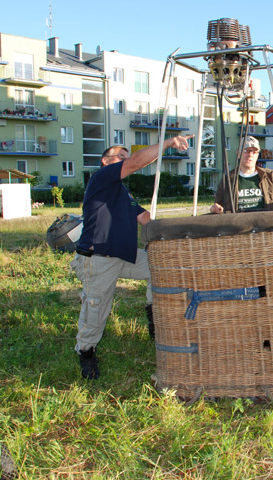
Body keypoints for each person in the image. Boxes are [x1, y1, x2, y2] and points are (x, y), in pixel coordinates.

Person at [71, 135, 192, 379]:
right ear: (106, 161)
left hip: (125, 256)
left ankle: (153, 320)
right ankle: (86, 352)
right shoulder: (101, 178)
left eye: (126, 156)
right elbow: (137, 162)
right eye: (120, 156)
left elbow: (145, 218)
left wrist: (181, 231)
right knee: (96, 308)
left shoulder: (122, 193)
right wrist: (168, 143)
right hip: (99, 259)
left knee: (160, 268)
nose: (126, 160)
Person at [210, 137, 273, 213]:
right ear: (238, 153)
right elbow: (219, 206)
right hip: (238, 229)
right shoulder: (228, 180)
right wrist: (215, 209)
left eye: (254, 152)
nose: (250, 155)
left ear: (257, 155)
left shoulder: (271, 177)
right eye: (246, 150)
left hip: (266, 229)